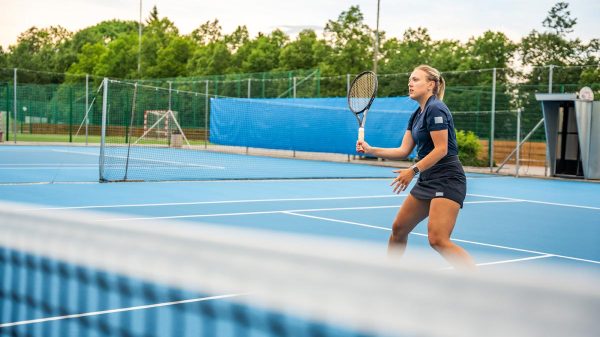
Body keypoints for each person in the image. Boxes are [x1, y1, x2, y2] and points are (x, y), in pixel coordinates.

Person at [356, 65, 475, 269]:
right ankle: (389, 273)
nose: (410, 83)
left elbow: (441, 150)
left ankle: (476, 280)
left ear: (431, 85)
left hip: (447, 178)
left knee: (438, 239)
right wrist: (371, 149)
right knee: (399, 229)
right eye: (409, 79)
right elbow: (403, 150)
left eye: (415, 79)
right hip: (427, 178)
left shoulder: (436, 108)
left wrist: (412, 171)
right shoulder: (416, 114)